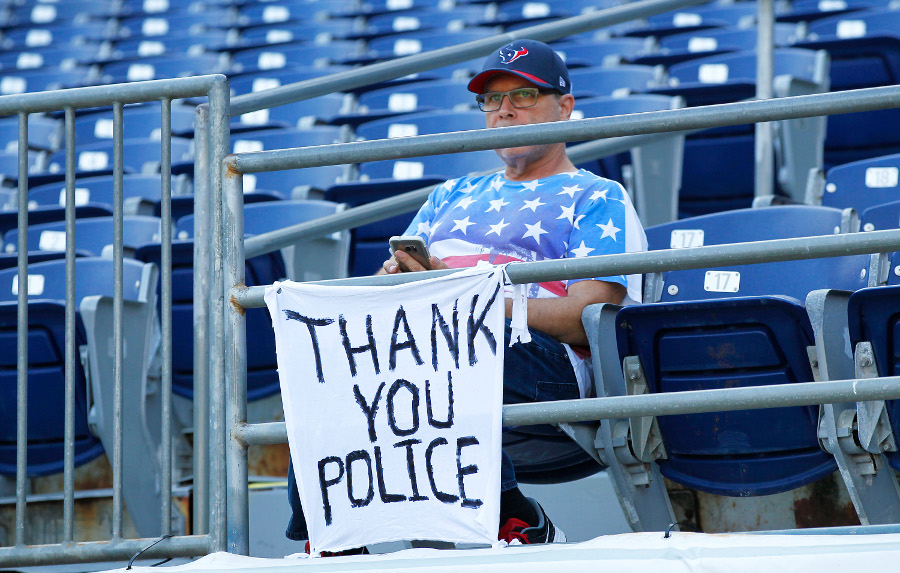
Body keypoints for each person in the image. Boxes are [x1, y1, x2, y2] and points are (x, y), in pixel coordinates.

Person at [287, 38, 646, 549]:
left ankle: (507, 513)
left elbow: (587, 314)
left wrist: (474, 301)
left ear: (564, 108)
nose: (504, 111)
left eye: (523, 96)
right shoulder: (450, 195)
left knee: (456, 331)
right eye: (492, 100)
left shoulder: (597, 194)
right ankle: (331, 537)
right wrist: (403, 278)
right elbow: (401, 292)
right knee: (329, 347)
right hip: (445, 343)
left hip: (545, 366)